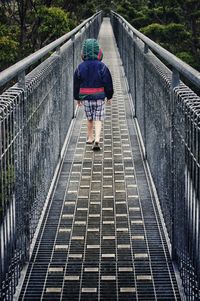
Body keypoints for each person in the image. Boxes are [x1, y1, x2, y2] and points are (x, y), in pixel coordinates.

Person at [73, 38, 113, 151]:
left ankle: (90, 138)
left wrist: (77, 97)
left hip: (86, 97)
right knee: (98, 118)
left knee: (89, 118)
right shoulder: (102, 66)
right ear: (98, 52)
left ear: (83, 53)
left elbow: (76, 84)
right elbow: (108, 82)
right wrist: (109, 96)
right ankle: (97, 139)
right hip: (99, 96)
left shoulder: (79, 67)